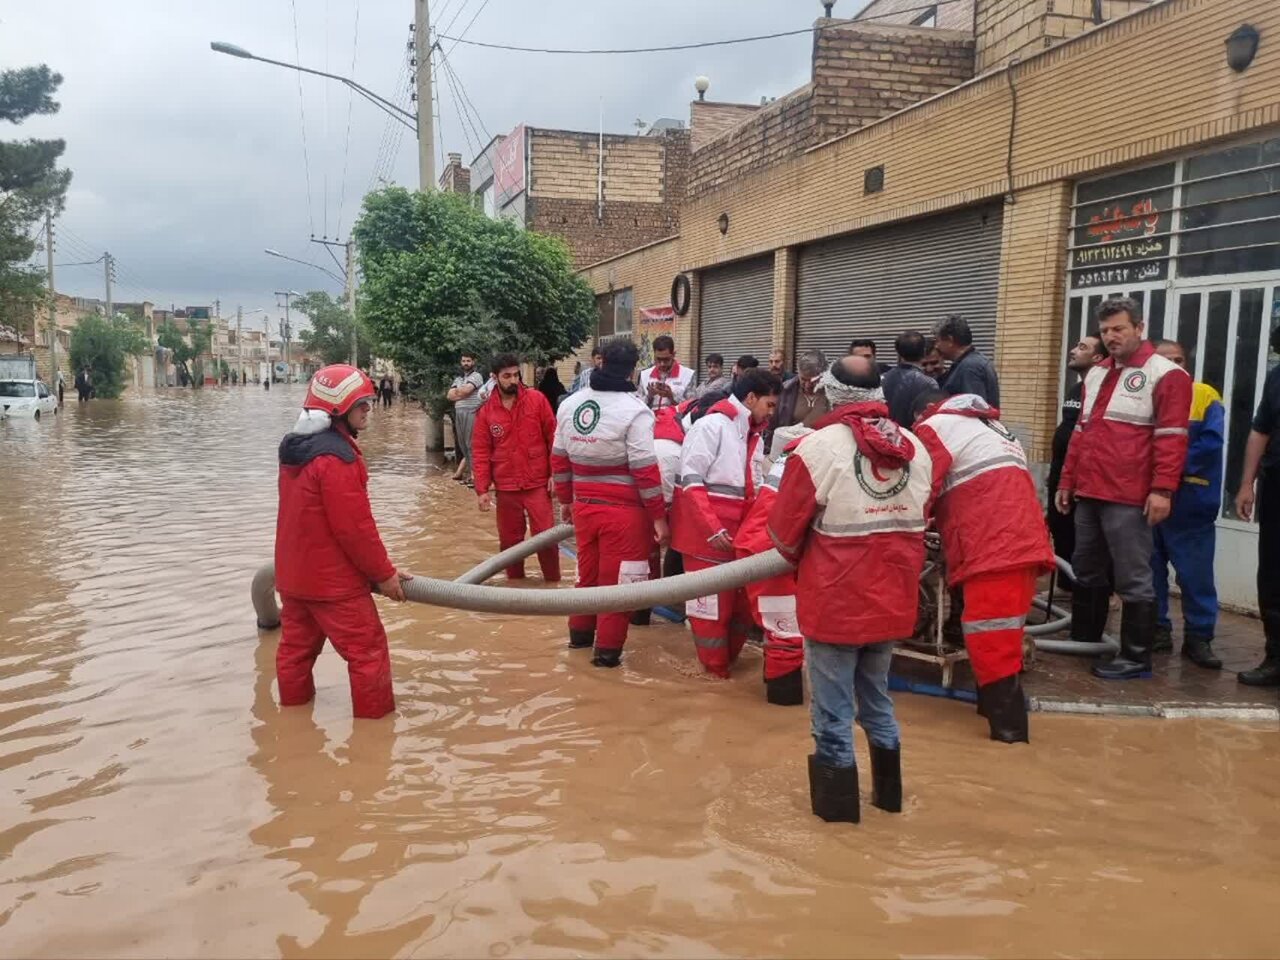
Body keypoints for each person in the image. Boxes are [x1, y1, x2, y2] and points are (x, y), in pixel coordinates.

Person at [768, 355, 941, 824]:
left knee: (832, 714)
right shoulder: (915, 446)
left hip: (836, 602)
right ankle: (889, 803)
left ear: (830, 391)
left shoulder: (815, 449)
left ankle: (838, 823)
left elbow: (783, 534)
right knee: (878, 701)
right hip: (892, 599)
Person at [1056, 297, 1191, 680]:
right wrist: (1068, 480)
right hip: (1090, 491)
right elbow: (1081, 434)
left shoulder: (1166, 375)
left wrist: (1163, 490)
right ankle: (1086, 638)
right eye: (1105, 331)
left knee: (1133, 575)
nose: (1111, 337)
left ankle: (1135, 658)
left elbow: (1171, 438)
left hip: (1130, 496)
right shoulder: (1096, 373)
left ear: (1139, 327)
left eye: (1119, 329)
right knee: (1086, 566)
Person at [914, 392, 1055, 742]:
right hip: (1020, 540)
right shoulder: (990, 428)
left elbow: (921, 489)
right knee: (1002, 636)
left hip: (993, 547)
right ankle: (992, 717)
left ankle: (1009, 736)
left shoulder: (934, 428)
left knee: (991, 640)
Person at [274, 364, 411, 720]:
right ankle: (375, 737)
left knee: (294, 654)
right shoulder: (338, 459)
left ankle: (292, 725)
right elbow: (355, 529)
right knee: (368, 652)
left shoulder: (293, 449)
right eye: (361, 404)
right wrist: (384, 574)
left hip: (292, 578)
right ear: (337, 409)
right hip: (334, 584)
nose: (369, 410)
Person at [553, 340, 670, 668]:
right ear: (634, 370)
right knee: (621, 588)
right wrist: (659, 519)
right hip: (625, 516)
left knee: (586, 578)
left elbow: (559, 460)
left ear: (600, 362)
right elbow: (646, 472)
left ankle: (578, 641)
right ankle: (606, 658)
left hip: (584, 508)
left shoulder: (569, 404)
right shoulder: (636, 411)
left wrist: (566, 501)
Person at [672, 368, 782, 678]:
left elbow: (756, 486)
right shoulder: (711, 427)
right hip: (705, 539)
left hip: (738, 537)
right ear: (751, 398)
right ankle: (713, 678)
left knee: (740, 611)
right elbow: (690, 482)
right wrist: (712, 527)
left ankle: (724, 668)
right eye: (769, 405)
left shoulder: (752, 433)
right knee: (709, 614)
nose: (771, 413)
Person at [1147, 340, 1224, 668]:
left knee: (1195, 575)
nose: (1174, 367)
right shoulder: (1145, 397)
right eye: (1166, 361)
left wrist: (1167, 467)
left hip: (1192, 503)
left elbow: (1210, 444)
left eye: (1179, 360)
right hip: (1149, 500)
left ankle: (1199, 637)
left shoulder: (1205, 395)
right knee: (1150, 573)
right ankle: (1157, 631)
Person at [734, 429, 812, 705]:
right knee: (786, 633)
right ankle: (781, 708)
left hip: (765, 545)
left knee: (780, 628)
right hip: (769, 552)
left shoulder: (800, 449)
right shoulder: (821, 453)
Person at [472, 354, 561, 583]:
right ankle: (515, 589)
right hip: (506, 487)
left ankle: (554, 584)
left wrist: (555, 474)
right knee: (510, 544)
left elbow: (554, 439)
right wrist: (481, 490)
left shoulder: (537, 400)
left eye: (516, 374)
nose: (513, 380)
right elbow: (481, 452)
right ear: (494, 378)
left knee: (547, 539)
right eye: (507, 376)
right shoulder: (486, 412)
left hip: (537, 484)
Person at [1234, 323, 1280, 688]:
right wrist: (1246, 483)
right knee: (1273, 575)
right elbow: (1259, 431)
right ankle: (1275, 659)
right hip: (1277, 487)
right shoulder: (1277, 377)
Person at [1047, 333, 1108, 593]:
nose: (1073, 350)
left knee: (1084, 536)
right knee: (1060, 528)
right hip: (1061, 471)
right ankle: (1065, 585)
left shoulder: (1103, 390)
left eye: (1082, 347)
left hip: (1083, 478)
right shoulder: (1077, 388)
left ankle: (1096, 591)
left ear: (1098, 357)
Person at [769, 350, 829, 451]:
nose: (807, 385)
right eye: (803, 379)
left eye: (813, 381)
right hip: (790, 451)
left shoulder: (834, 394)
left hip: (822, 452)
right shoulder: (785, 390)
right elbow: (772, 425)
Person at [936, 315, 1000, 406]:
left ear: (950, 340)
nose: (936, 346)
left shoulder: (969, 367)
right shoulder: (974, 362)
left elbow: (974, 408)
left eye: (938, 341)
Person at [881, 330, 938, 428]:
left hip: (886, 436)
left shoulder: (883, 378)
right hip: (913, 438)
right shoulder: (928, 383)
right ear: (924, 351)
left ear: (898, 353)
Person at [446, 353, 485, 483]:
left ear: (473, 362)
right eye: (463, 361)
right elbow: (449, 396)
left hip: (472, 411)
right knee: (462, 445)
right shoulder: (458, 378)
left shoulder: (477, 376)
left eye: (468, 361)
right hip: (459, 412)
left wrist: (459, 392)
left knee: (471, 444)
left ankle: (475, 476)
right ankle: (471, 474)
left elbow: (465, 391)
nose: (465, 363)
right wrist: (460, 392)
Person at [636, 335, 694, 412]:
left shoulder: (687, 375)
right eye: (658, 359)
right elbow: (637, 406)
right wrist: (649, 396)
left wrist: (672, 397)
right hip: (651, 422)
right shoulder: (644, 375)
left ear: (673, 354)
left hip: (676, 422)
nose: (662, 364)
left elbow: (692, 407)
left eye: (666, 359)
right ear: (654, 355)